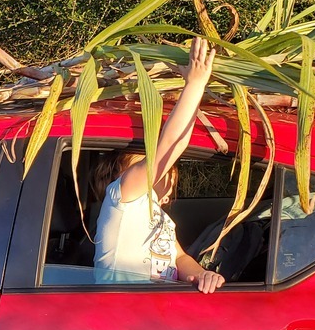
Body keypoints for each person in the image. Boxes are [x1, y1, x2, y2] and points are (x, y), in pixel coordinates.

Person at [93, 37, 225, 294]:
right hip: (122, 317)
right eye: (141, 166)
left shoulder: (159, 218)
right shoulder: (124, 197)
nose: (162, 172)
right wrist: (195, 85)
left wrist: (200, 274)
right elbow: (169, 149)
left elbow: (179, 259)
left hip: (153, 313)